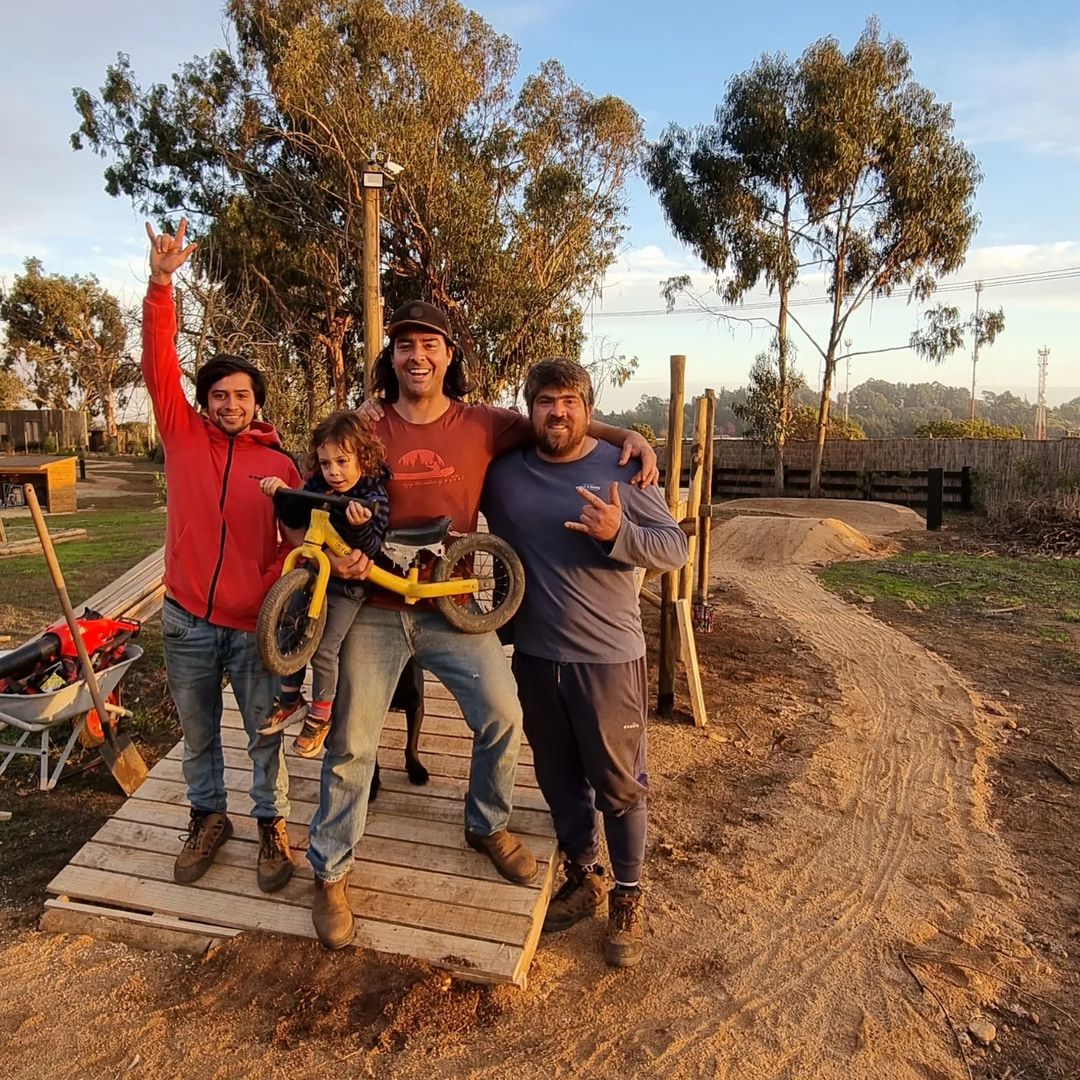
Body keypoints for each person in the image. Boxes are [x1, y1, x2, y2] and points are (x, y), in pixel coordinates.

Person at [305, 300, 659, 950]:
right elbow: (317, 500)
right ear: (392, 356)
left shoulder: (484, 424)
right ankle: (329, 873)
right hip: (377, 609)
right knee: (352, 745)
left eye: (430, 345)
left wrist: (624, 436)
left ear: (448, 356)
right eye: (406, 345)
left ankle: (486, 822)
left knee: (503, 716)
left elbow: (558, 421)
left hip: (454, 603)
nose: (417, 356)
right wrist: (334, 549)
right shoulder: (364, 424)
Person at [482, 358, 687, 968]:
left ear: (588, 409)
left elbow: (673, 547)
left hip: (608, 660)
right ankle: (585, 871)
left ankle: (628, 891)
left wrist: (619, 532)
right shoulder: (505, 475)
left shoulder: (621, 469)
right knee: (556, 776)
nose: (558, 412)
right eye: (546, 401)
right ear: (530, 409)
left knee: (620, 786)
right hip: (536, 657)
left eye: (571, 401)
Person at [142, 219, 301, 893]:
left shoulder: (281, 464)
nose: (230, 403)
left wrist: (269, 595)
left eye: (241, 395)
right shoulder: (182, 435)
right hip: (185, 622)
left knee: (264, 736)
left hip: (252, 628)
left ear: (257, 402)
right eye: (219, 395)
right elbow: (158, 361)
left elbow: (298, 548)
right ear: (204, 403)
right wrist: (160, 284)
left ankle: (271, 824)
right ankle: (209, 819)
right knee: (199, 736)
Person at [257, 410, 391, 758]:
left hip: (348, 588)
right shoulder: (319, 486)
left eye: (343, 462)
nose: (334, 471)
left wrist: (361, 526)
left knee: (324, 648)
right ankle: (290, 699)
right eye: (326, 463)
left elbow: (374, 546)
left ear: (363, 456)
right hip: (314, 577)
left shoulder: (373, 494)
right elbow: (295, 516)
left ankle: (320, 715)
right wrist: (281, 495)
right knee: (289, 626)